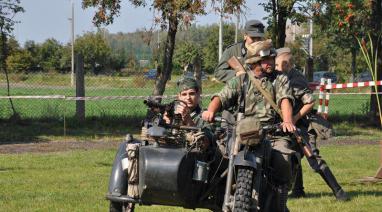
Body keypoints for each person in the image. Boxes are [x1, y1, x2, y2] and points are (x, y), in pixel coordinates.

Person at [203, 40, 297, 211]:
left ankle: (280, 196)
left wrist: (288, 121)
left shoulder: (279, 79)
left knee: (283, 158)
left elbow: (285, 100)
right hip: (242, 131)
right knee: (218, 156)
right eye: (267, 60)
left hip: (272, 131)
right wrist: (210, 111)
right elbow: (221, 96)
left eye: (272, 59)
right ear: (255, 61)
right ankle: (217, 194)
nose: (271, 63)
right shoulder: (242, 79)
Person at [275, 47, 350, 201]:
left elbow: (309, 102)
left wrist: (293, 119)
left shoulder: (295, 78)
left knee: (313, 158)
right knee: (293, 155)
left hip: (302, 126)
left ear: (286, 65)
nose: (275, 68)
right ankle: (298, 189)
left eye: (277, 65)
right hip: (288, 125)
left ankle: (339, 192)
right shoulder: (281, 77)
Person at [164, 77, 215, 149]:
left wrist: (188, 120)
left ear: (198, 94)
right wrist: (165, 123)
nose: (188, 97)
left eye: (191, 93)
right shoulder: (172, 114)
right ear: (179, 96)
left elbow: (206, 143)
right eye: (184, 94)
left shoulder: (206, 116)